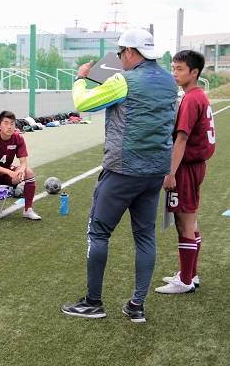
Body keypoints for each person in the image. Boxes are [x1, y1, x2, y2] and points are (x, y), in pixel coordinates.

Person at [61, 28, 177, 322]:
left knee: (99, 233)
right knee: (145, 236)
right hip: (155, 171)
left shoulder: (123, 79)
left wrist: (79, 78)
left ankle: (93, 302)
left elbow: (83, 103)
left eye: (120, 52)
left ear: (128, 52)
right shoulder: (168, 80)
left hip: (123, 170)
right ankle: (137, 305)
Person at [155, 50, 216, 294]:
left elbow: (181, 140)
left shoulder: (191, 99)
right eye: (174, 68)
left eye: (180, 69)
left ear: (194, 72)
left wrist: (170, 173)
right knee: (190, 222)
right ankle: (190, 274)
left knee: (184, 223)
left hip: (187, 167)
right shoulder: (198, 95)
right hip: (195, 165)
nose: (175, 73)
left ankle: (186, 282)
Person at [0, 110, 41, 223]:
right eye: (6, 123)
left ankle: (28, 210)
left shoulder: (19, 139)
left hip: (8, 169)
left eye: (12, 123)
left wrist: (21, 170)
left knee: (29, 172)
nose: (9, 126)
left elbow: (23, 162)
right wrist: (9, 172)